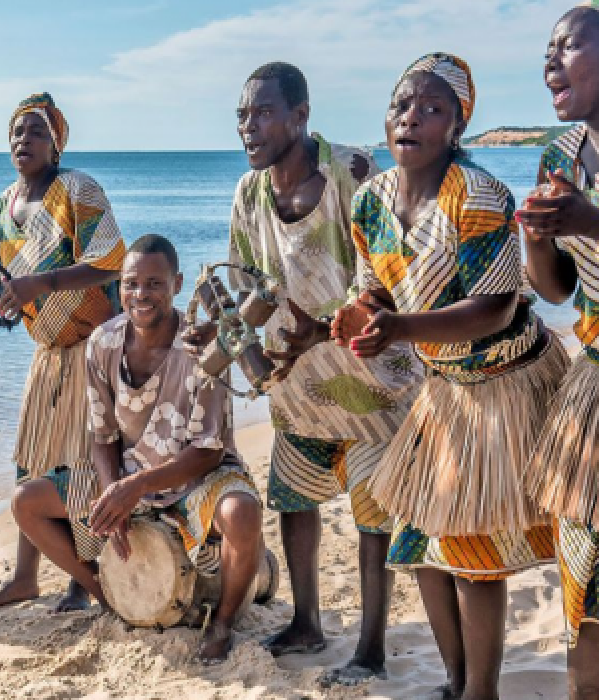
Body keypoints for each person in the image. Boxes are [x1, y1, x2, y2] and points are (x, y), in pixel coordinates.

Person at [333, 53, 566, 700]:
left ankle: (481, 692)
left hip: (505, 382)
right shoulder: (371, 201)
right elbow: (375, 289)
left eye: (432, 109)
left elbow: (495, 308)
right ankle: (460, 682)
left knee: (471, 555)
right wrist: (361, 318)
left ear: (457, 128)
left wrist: (401, 329)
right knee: (419, 546)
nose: (411, 117)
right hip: (446, 389)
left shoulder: (480, 194)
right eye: (402, 104)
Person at [222, 61, 423, 685]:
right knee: (293, 495)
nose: (248, 128)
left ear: (301, 115)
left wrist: (329, 322)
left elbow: (396, 274)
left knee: (371, 511)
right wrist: (241, 320)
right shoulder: (249, 193)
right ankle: (307, 621)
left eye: (262, 113)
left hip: (371, 373)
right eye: (241, 116)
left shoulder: (354, 174)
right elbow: (244, 277)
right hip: (298, 378)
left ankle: (370, 647)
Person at [0, 93, 127, 612]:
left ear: (56, 144)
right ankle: (26, 577)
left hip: (92, 348)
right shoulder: (4, 206)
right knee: (32, 462)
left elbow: (112, 263)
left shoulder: (78, 189)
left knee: (78, 465)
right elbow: (16, 296)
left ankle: (84, 579)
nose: (23, 141)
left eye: (35, 132)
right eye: (16, 132)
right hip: (47, 355)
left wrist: (42, 282)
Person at [86, 234, 264, 663]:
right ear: (119, 288)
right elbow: (101, 437)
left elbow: (207, 451)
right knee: (29, 503)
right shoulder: (102, 343)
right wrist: (115, 496)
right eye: (131, 284)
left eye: (154, 283)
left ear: (177, 284)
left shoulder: (203, 347)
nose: (140, 294)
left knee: (242, 513)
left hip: (197, 478)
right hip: (132, 476)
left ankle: (222, 623)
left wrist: (134, 486)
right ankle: (114, 597)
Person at [520, 6, 599, 699]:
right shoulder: (560, 156)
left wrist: (592, 221)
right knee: (582, 570)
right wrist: (539, 239)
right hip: (594, 386)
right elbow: (557, 289)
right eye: (546, 51)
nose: (550, 62)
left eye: (567, 46)